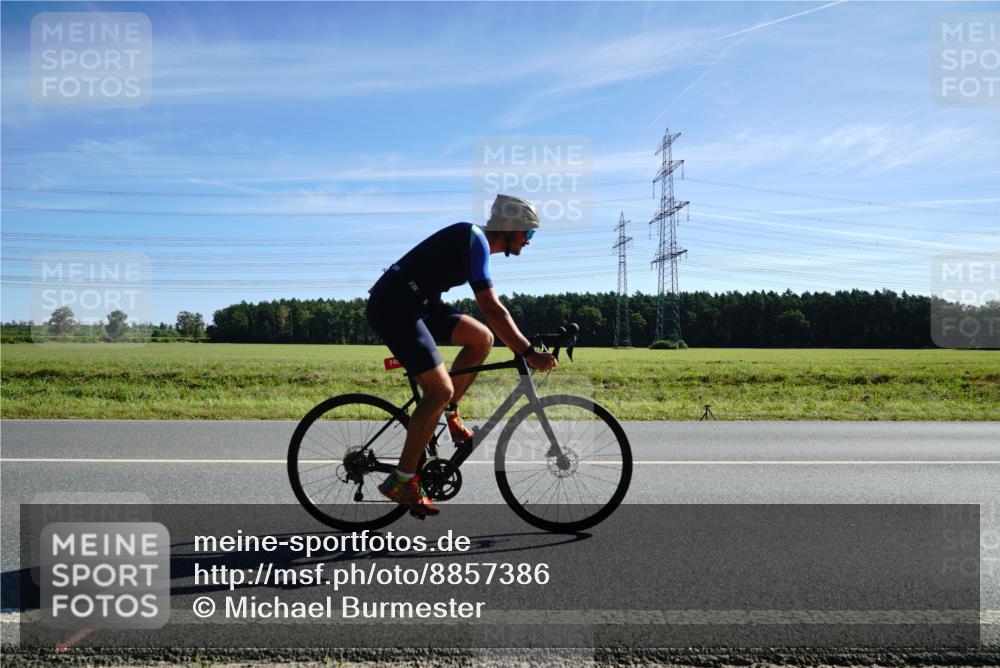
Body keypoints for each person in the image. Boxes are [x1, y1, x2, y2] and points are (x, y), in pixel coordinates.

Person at [365, 194, 557, 516]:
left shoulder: (476, 242)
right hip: (394, 306)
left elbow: (491, 317)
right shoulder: (475, 239)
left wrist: (524, 346)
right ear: (510, 225)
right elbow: (491, 307)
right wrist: (527, 352)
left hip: (419, 305)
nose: (529, 241)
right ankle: (402, 480)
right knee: (439, 389)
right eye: (529, 233)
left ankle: (449, 414)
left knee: (482, 339)